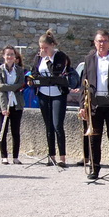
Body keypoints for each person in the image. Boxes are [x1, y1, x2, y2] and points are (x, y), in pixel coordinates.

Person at [80, 30, 109, 181]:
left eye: (104, 41)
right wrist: (83, 105)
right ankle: (94, 168)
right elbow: (84, 84)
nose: (102, 44)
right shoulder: (89, 59)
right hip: (95, 104)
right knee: (94, 138)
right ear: (95, 43)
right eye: (99, 41)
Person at [30, 30, 71, 167]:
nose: (43, 51)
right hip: (43, 94)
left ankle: (62, 157)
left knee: (57, 125)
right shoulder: (38, 57)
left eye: (45, 48)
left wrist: (47, 59)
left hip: (58, 94)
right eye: (41, 48)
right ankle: (51, 156)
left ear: (52, 45)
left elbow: (56, 73)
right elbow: (34, 73)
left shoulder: (60, 56)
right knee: (48, 126)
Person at [0, 46, 26, 164]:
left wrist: (5, 87)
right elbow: (0, 89)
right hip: (2, 104)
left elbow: (20, 84)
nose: (10, 57)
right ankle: (4, 156)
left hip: (16, 104)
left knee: (15, 131)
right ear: (4, 56)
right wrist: (3, 108)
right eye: (8, 55)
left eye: (12, 54)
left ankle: (15, 157)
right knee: (3, 130)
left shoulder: (20, 70)